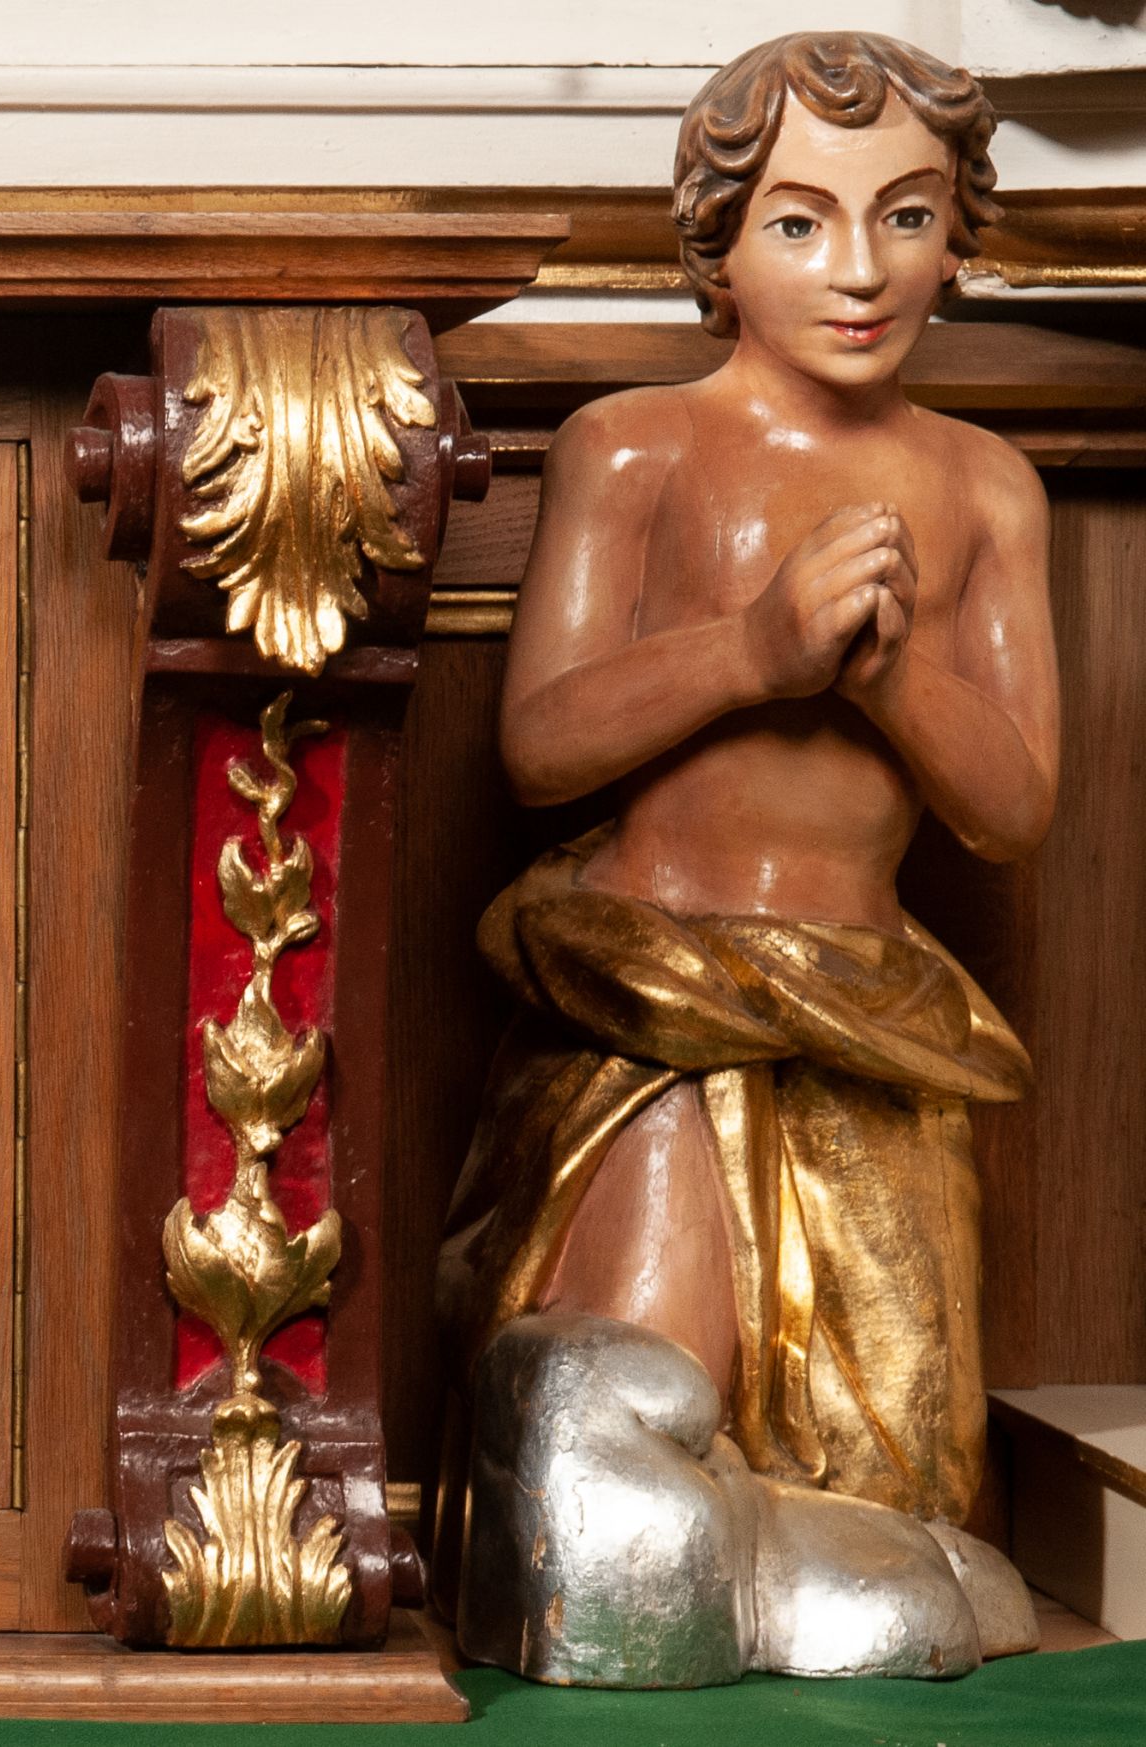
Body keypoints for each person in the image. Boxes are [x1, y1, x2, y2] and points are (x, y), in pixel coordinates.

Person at [436, 31, 1057, 1683]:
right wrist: (757, 650)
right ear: (714, 247)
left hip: (873, 1023)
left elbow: (1013, 806)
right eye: (798, 221)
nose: (858, 268)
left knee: (903, 1464)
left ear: (959, 236)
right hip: (659, 998)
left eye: (905, 216)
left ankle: (818, 1570)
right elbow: (541, 741)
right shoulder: (636, 447)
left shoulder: (985, 488)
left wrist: (894, 679)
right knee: (638, 1392)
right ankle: (662, 1573)